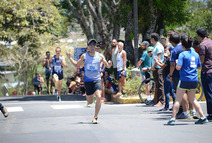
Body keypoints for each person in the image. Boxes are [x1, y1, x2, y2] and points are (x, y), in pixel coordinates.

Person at [66, 39, 112, 124]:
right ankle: (89, 96)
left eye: (94, 45)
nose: (92, 46)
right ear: (88, 46)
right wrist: (69, 58)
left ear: (96, 46)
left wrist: (109, 64)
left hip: (97, 79)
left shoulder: (100, 56)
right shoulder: (84, 56)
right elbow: (77, 64)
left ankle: (95, 117)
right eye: (90, 45)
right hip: (88, 81)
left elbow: (107, 66)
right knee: (90, 101)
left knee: (99, 96)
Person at [167, 38, 208, 125]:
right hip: (194, 79)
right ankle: (203, 117)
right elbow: (199, 67)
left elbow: (178, 67)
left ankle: (173, 118)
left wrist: (179, 64)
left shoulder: (182, 54)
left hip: (184, 79)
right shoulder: (196, 54)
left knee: (178, 99)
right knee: (193, 99)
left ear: (183, 46)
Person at [197, 27, 212, 122]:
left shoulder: (202, 44)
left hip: (206, 71)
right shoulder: (210, 42)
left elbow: (202, 60)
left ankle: (210, 114)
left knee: (208, 93)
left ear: (199, 35)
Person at [154, 46, 176, 111]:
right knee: (171, 92)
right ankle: (174, 105)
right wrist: (159, 61)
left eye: (166, 51)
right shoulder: (169, 59)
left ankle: (166, 106)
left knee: (167, 92)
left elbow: (162, 66)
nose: (165, 52)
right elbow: (164, 64)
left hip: (167, 77)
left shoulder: (168, 59)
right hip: (169, 76)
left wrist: (156, 61)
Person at [150, 33, 164, 106]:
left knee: (160, 84)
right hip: (155, 67)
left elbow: (158, 58)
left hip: (158, 68)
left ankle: (161, 101)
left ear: (153, 39)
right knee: (157, 84)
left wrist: (154, 66)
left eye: (151, 38)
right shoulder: (155, 46)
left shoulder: (158, 47)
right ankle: (157, 99)